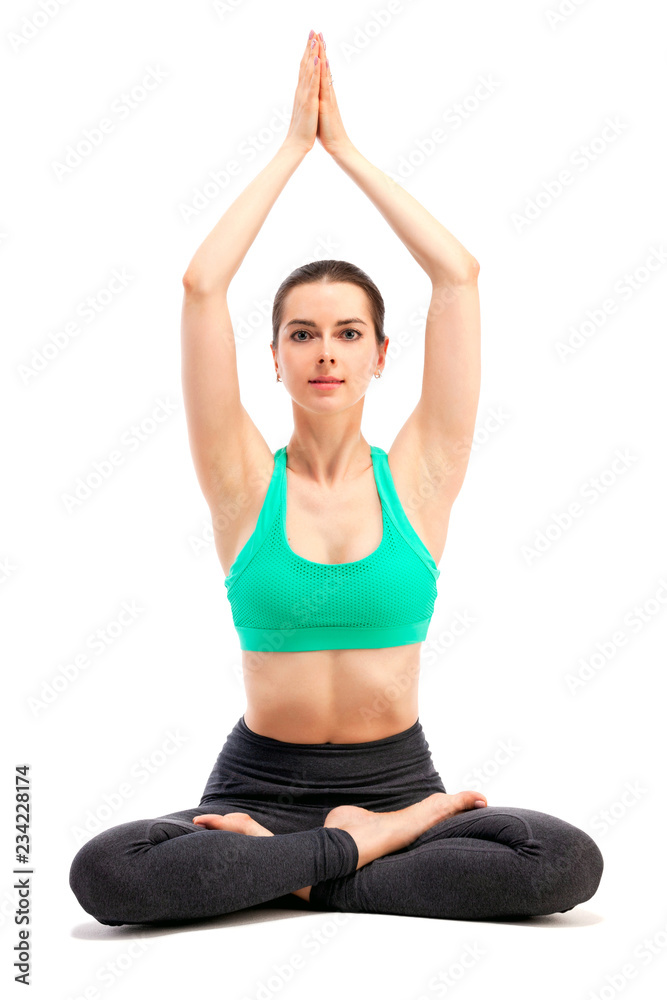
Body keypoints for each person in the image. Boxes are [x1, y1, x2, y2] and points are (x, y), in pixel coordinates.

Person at [69, 29, 603, 926]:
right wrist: (290, 151)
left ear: (380, 354)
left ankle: (296, 872)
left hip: (396, 780)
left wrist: (345, 152)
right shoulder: (242, 480)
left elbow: (458, 276)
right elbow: (203, 285)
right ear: (272, 358)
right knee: (106, 872)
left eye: (348, 332)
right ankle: (356, 856)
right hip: (255, 788)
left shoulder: (422, 477)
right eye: (302, 333)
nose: (326, 352)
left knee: (559, 862)